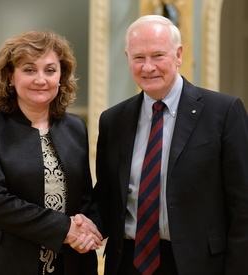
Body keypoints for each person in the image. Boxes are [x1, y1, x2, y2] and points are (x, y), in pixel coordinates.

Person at [89, 15, 248, 274]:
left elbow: (243, 207)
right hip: (128, 263)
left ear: (178, 55)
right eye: (139, 57)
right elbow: (106, 196)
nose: (148, 67)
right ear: (128, 58)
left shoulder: (224, 112)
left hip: (198, 264)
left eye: (158, 55)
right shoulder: (113, 120)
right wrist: (78, 227)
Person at [0, 30, 103, 275]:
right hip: (6, 262)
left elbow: (84, 195)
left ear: (61, 76)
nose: (40, 79)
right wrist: (65, 228)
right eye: (29, 69)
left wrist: (86, 231)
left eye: (50, 70)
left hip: (71, 262)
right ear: (11, 76)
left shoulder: (75, 126)